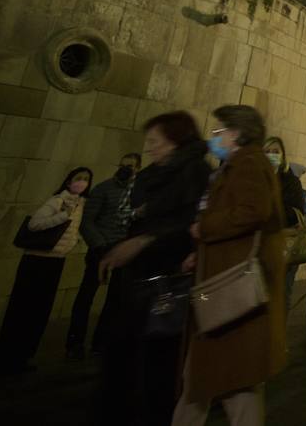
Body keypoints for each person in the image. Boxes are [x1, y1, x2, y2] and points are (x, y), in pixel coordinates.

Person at [172, 105, 286, 425]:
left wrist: (204, 229)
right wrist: (202, 252)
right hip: (222, 280)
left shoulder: (249, 163)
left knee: (218, 377)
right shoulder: (236, 164)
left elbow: (252, 211)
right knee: (224, 378)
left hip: (230, 287)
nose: (214, 137)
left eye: (218, 131)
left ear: (235, 134)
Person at [98, 113, 210, 426]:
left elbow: (191, 224)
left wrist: (146, 239)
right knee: (121, 355)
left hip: (169, 281)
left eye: (155, 141)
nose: (149, 148)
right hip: (135, 277)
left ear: (175, 140)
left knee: (158, 364)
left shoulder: (196, 172)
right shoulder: (153, 174)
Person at [0, 166, 93, 376]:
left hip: (56, 261)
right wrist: (63, 216)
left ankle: (24, 356)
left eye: (86, 180)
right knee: (22, 310)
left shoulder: (81, 205)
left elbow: (75, 229)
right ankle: (6, 360)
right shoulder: (57, 200)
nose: (81, 183)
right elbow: (35, 224)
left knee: (39, 311)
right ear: (69, 180)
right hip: (37, 261)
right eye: (78, 178)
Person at [67, 151, 141, 359]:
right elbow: (87, 220)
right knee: (86, 297)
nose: (126, 169)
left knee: (114, 300)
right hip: (101, 249)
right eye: (124, 165)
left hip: (122, 251)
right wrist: (99, 245)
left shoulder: (137, 192)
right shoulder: (103, 189)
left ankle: (101, 341)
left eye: (131, 166)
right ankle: (75, 342)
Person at [264, 136, 305, 314]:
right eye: (268, 152)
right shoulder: (256, 178)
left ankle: (277, 339)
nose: (272, 155)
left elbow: (294, 213)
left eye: (276, 152)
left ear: (283, 156)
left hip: (283, 244)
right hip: (260, 245)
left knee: (281, 295)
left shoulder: (291, 181)